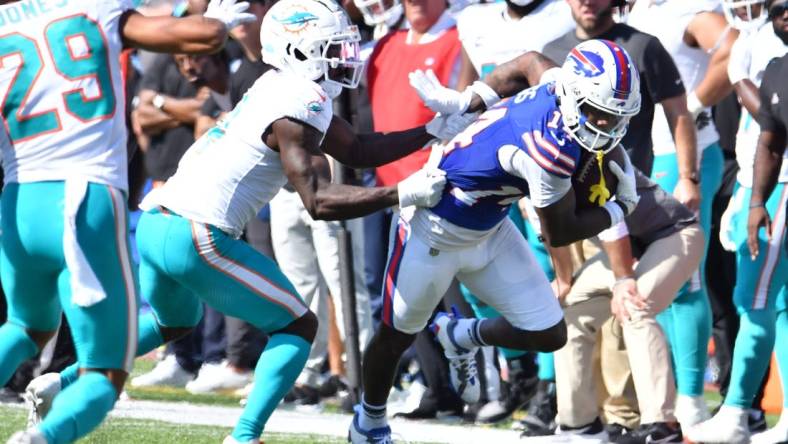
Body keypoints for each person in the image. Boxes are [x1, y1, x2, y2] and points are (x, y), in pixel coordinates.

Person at [23, 0, 461, 442]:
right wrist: (402, 192)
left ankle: (61, 380)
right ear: (298, 50)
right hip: (198, 231)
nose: (343, 58)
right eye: (331, 48)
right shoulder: (298, 99)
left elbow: (358, 150)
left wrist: (431, 129)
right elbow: (319, 201)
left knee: (174, 321)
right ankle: (244, 436)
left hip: (159, 220)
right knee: (296, 326)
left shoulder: (279, 86)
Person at [348, 38, 643, 443]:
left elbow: (529, 61)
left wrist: (473, 98)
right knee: (396, 333)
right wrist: (620, 208)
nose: (605, 126)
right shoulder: (548, 150)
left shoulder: (558, 86)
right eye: (599, 114)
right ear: (575, 95)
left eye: (614, 117)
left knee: (550, 334)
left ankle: (462, 334)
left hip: (490, 225)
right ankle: (369, 421)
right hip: (432, 228)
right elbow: (559, 230)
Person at [0, 0, 254, 442]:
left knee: (26, 327)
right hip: (84, 196)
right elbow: (202, 37)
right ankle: (41, 439)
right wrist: (221, 23)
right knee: (104, 374)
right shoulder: (93, 9)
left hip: (19, 200)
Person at [626, 1, 739, 427]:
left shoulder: (685, 6)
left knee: (684, 278)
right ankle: (667, 398)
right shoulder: (627, 10)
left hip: (681, 154)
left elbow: (732, 44)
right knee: (653, 281)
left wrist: (691, 104)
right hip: (642, 154)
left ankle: (689, 398)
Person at [690, 1, 788, 441]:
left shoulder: (765, 44)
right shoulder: (754, 38)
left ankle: (735, 412)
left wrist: (736, 76)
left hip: (775, 182)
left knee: (754, 299)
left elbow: (771, 121)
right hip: (758, 177)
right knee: (780, 306)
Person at [745, 47, 788, 444]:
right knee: (764, 300)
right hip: (779, 190)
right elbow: (771, 142)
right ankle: (740, 409)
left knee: (759, 298)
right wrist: (758, 201)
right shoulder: (777, 69)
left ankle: (737, 409)